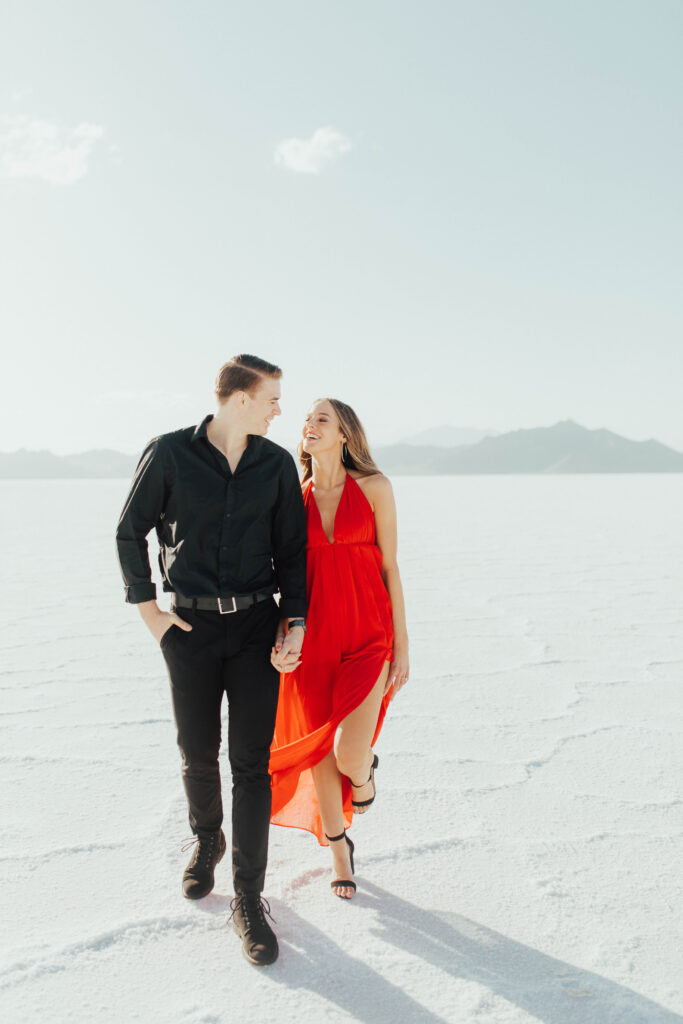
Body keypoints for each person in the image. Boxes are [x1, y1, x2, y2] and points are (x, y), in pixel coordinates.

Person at [115, 354, 307, 966]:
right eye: (273, 397)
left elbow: (293, 551)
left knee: (251, 765)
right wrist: (149, 612)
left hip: (255, 626)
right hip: (189, 628)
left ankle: (248, 897)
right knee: (196, 750)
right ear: (240, 398)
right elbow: (129, 531)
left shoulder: (274, 465)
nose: (281, 409)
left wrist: (294, 620)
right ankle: (207, 840)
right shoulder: (170, 454)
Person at [269, 398, 409, 899]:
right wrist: (286, 633)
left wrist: (403, 646)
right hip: (314, 639)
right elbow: (287, 578)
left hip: (370, 635)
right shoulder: (295, 498)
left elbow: (391, 568)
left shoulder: (374, 488)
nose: (309, 425)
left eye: (320, 418)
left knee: (351, 751)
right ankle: (338, 850)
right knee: (316, 751)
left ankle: (365, 780)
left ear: (345, 433)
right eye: (307, 420)